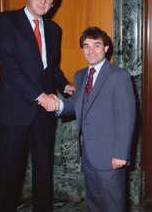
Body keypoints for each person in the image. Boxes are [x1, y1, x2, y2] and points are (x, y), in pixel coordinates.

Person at [0, 0, 75, 212]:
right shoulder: (7, 20)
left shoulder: (54, 29)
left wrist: (66, 86)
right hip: (15, 109)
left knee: (43, 170)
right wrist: (41, 96)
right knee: (9, 172)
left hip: (44, 113)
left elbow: (51, 69)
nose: (44, 0)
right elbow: (10, 67)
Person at [43, 27, 136, 212]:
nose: (91, 51)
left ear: (106, 48)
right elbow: (77, 104)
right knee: (95, 204)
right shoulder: (80, 75)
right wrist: (58, 104)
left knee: (114, 205)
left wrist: (121, 154)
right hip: (88, 155)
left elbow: (126, 118)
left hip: (111, 156)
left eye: (96, 45)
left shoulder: (119, 76)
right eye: (86, 46)